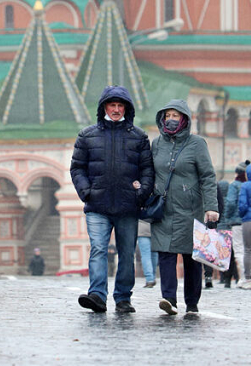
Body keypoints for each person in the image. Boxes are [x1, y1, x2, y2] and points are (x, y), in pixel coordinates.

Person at [70, 85, 154, 313]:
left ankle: (123, 297)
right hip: (97, 205)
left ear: (126, 108)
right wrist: (87, 192)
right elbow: (77, 168)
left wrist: (141, 192)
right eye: (112, 105)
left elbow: (147, 169)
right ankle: (97, 295)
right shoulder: (87, 135)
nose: (116, 109)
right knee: (98, 248)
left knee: (126, 252)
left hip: (128, 205)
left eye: (120, 105)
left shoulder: (138, 136)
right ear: (104, 107)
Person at [150, 99, 218, 315]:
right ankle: (168, 299)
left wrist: (211, 206)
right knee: (165, 254)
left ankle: (192, 303)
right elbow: (149, 172)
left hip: (191, 210)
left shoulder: (197, 144)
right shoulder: (157, 144)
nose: (170, 120)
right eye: (167, 116)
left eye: (175, 116)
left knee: (191, 257)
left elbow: (208, 176)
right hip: (164, 209)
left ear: (184, 119)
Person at [223, 161, 250, 287]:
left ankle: (246, 276)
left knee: (239, 250)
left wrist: (227, 217)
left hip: (237, 221)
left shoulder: (235, 185)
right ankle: (250, 274)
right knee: (249, 250)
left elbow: (230, 203)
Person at [137, 220, 157, 288]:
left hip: (142, 227)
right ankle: (153, 277)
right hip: (156, 226)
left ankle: (149, 279)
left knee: (145, 255)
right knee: (154, 254)